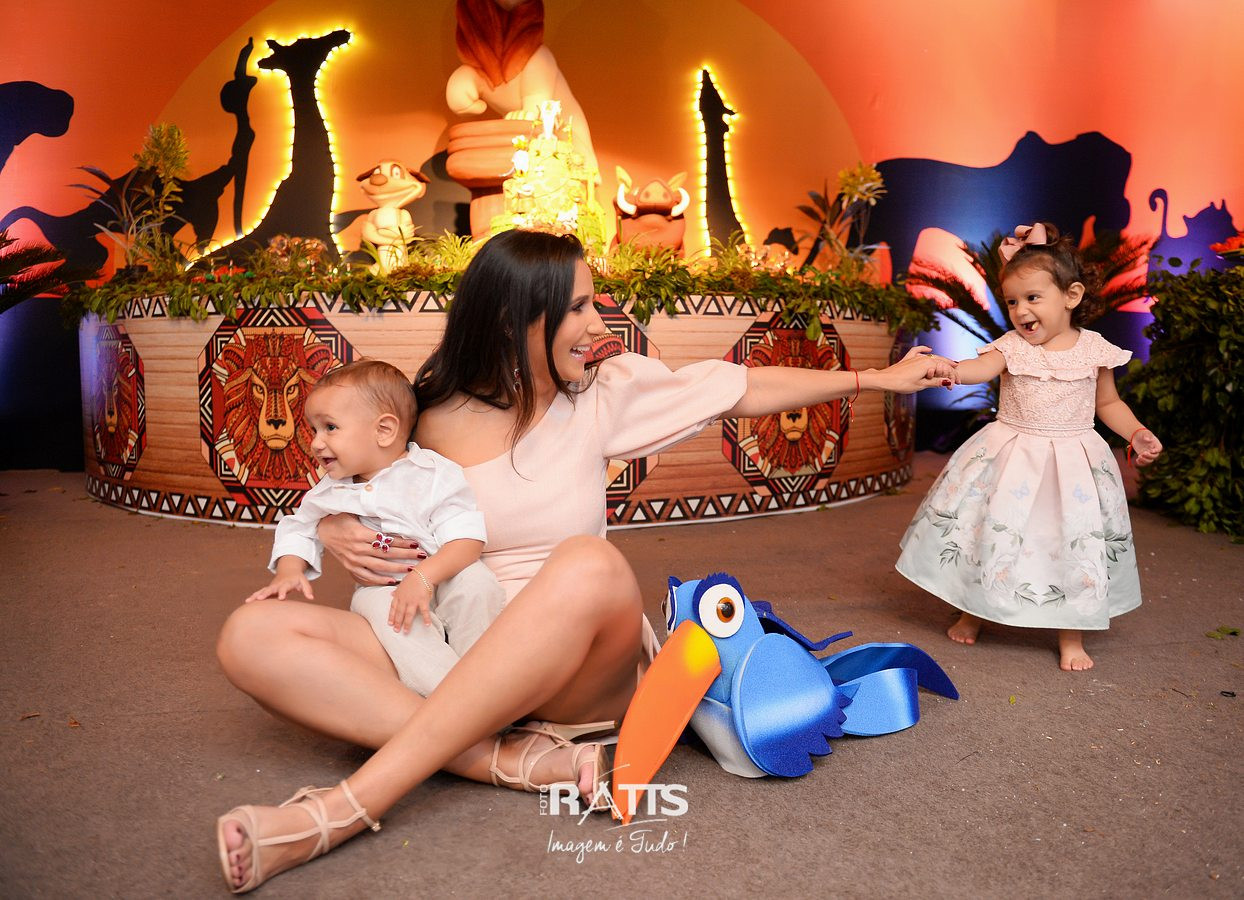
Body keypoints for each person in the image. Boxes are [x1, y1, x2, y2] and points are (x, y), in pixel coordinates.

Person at [215, 228, 956, 893]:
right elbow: (357, 480)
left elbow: (743, 387)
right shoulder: (427, 414)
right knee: (251, 635)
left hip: (578, 674)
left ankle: (346, 808)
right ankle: (508, 759)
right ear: (513, 319)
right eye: (576, 307)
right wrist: (337, 525)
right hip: (453, 649)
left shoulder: (605, 394)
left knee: (589, 565)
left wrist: (875, 380)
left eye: (592, 303)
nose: (598, 323)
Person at [896, 223, 1163, 672]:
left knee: (1070, 543)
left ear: (1071, 296)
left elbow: (1108, 403)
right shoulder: (1012, 347)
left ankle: (1071, 633)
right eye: (1012, 301)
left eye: (1033, 298)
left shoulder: (1094, 350)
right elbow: (979, 368)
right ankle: (973, 610)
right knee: (992, 534)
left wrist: (1136, 432)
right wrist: (948, 368)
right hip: (1012, 458)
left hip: (1072, 466)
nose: (1021, 311)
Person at [244, 358, 505, 696]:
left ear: (383, 431)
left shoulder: (432, 474)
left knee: (477, 584)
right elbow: (298, 527)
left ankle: (485, 679)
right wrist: (289, 570)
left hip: (443, 573)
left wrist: (423, 578)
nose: (316, 443)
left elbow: (467, 541)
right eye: (314, 429)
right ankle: (453, 695)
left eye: (330, 428)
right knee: (390, 619)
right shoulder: (330, 490)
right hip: (382, 588)